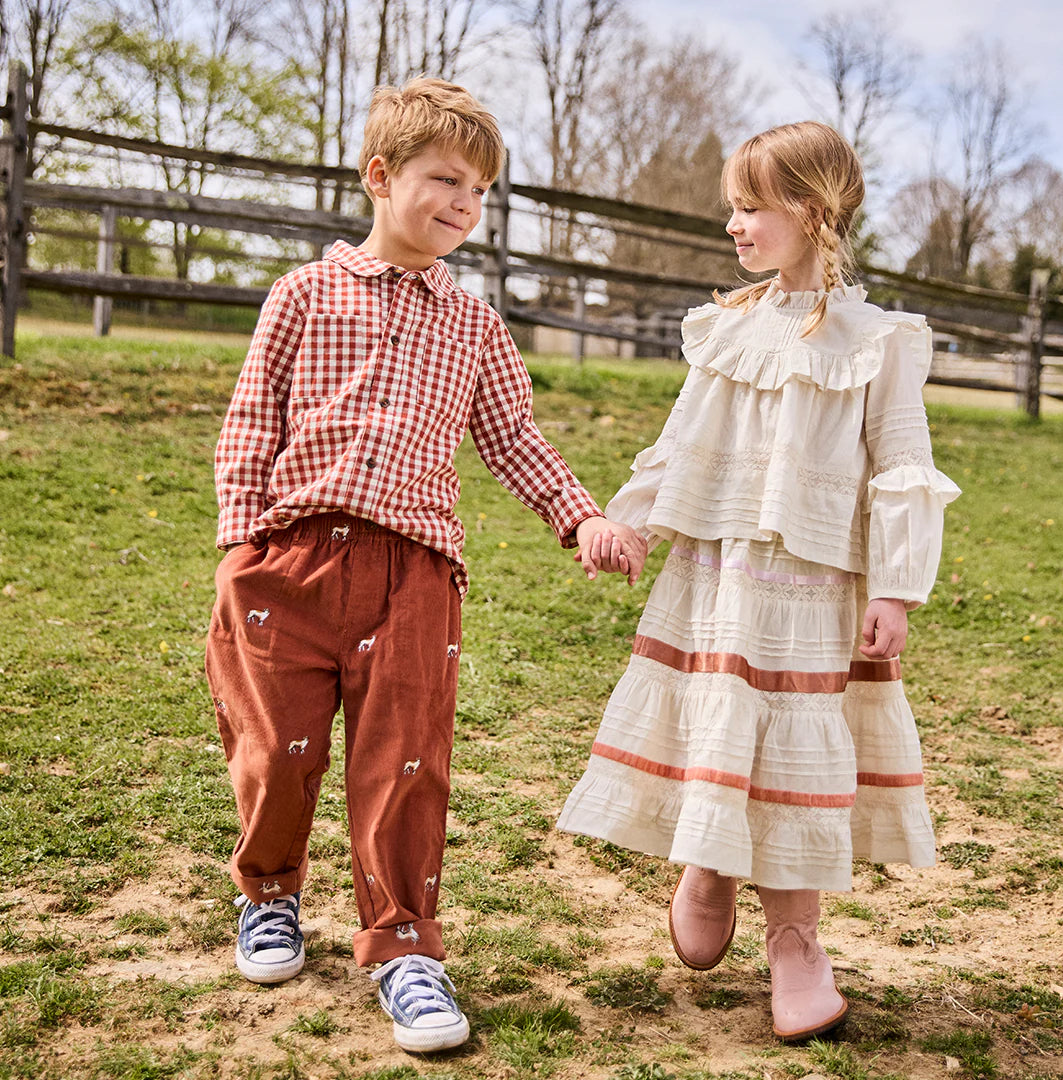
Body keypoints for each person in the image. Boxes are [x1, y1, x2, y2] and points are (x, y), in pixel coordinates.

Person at [205, 77, 644, 1055]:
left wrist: (581, 520)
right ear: (380, 176)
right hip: (291, 564)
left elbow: (516, 442)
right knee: (277, 752)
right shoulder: (301, 295)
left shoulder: (478, 328)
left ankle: (404, 944)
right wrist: (243, 545)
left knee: (403, 764)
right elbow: (249, 420)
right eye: (446, 179)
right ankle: (269, 895)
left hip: (414, 579)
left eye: (480, 192)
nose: (464, 204)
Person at [561, 121, 960, 1042]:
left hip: (814, 587)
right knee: (722, 721)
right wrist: (630, 520)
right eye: (732, 209)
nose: (734, 226)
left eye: (751, 208)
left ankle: (795, 941)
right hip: (719, 570)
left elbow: (902, 462)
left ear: (811, 212)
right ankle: (708, 863)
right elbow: (682, 442)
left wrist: (895, 588)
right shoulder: (726, 328)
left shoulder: (880, 339)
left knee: (795, 754)